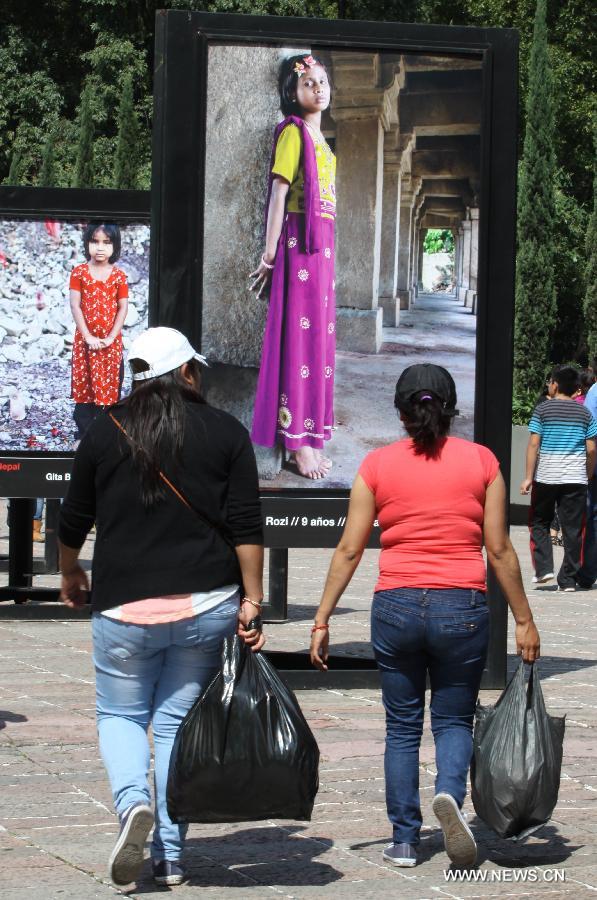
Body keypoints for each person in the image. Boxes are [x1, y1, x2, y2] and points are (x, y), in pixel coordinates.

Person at [310, 363, 540, 869]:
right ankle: (450, 797)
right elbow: (499, 550)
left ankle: (404, 840)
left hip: (395, 605)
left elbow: (349, 549)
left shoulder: (376, 465)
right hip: (462, 605)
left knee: (402, 727)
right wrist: (524, 619)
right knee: (454, 719)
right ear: (452, 408)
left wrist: (322, 618)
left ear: (400, 412)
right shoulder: (483, 462)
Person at [58, 327, 265, 888]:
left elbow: (74, 515)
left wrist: (71, 569)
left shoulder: (105, 430)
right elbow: (247, 524)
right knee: (176, 722)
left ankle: (133, 807)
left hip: (124, 606)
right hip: (207, 605)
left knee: (122, 715)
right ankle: (171, 854)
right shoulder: (226, 431)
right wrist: (252, 599)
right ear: (187, 373)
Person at [250, 54, 336, 480]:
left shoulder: (321, 140)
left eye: (323, 81)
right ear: (293, 92)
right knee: (299, 345)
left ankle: (313, 435)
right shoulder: (293, 133)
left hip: (322, 249)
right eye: (309, 83)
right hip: (299, 244)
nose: (318, 88)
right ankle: (296, 443)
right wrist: (270, 256)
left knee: (318, 342)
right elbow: (279, 195)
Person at [521, 365, 597, 590]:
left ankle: (544, 569)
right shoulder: (585, 414)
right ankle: (568, 579)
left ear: (554, 384)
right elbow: (591, 449)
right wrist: (588, 473)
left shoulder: (542, 410)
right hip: (575, 479)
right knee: (573, 528)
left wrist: (527, 477)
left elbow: (534, 443)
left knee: (539, 522)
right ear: (577, 389)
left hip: (546, 477)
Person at [69, 222, 128, 441]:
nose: (100, 247)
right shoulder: (79, 273)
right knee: (86, 387)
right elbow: (75, 306)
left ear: (115, 246)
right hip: (86, 342)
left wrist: (112, 336)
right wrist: (88, 336)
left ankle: (106, 432)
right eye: (95, 241)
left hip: (110, 346)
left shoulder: (119, 276)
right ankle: (84, 432)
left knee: (110, 386)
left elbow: (123, 306)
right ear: (87, 243)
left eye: (107, 242)